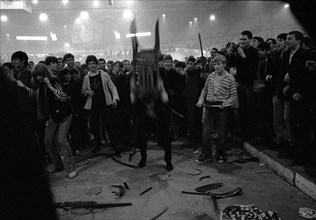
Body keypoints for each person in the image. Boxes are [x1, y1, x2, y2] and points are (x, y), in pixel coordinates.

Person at [196, 54, 237, 163]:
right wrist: (201, 100)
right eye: (215, 64)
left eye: (219, 64)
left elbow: (233, 97)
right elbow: (204, 90)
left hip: (221, 107)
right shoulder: (210, 76)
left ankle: (220, 154)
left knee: (221, 133)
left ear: (224, 64)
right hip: (209, 105)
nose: (216, 66)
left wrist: (226, 103)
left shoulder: (230, 78)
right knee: (206, 132)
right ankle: (206, 154)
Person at [43, 57, 78, 178]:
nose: (57, 65)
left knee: (61, 140)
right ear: (47, 66)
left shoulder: (56, 79)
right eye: (53, 63)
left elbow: (62, 97)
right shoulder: (42, 80)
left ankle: (71, 167)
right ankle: (58, 165)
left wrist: (49, 86)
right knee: (48, 141)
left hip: (65, 112)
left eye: (57, 63)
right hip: (53, 114)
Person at [82, 55, 120, 154]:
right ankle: (97, 145)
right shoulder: (86, 78)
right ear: (87, 65)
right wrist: (87, 92)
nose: (92, 65)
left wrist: (115, 97)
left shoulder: (104, 75)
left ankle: (115, 146)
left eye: (94, 63)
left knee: (110, 125)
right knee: (94, 127)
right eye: (90, 64)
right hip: (93, 105)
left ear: (97, 64)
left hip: (105, 103)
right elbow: (83, 90)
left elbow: (112, 87)